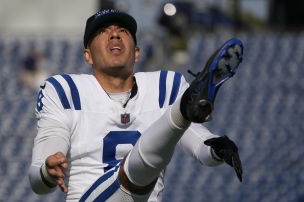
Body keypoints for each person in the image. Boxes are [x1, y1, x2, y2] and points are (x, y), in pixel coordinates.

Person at [29, 9, 243, 201]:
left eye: (123, 30)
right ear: (88, 56)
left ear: (137, 52)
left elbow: (200, 145)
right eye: (103, 31)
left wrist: (216, 150)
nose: (114, 34)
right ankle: (180, 113)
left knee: (176, 125)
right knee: (135, 169)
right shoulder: (64, 90)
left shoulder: (165, 86)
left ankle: (181, 113)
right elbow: (38, 178)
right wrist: (49, 170)